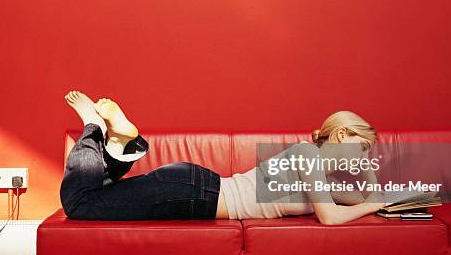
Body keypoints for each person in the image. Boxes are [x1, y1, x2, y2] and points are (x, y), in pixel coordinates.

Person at [60, 91, 386, 225]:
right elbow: (330, 217)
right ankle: (96, 125)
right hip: (190, 193)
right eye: (361, 148)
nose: (361, 158)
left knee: (96, 198)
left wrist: (375, 190)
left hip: (192, 189)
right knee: (80, 205)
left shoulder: (319, 177)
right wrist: (376, 204)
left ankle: (119, 142)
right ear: (341, 136)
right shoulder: (307, 156)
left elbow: (359, 198)